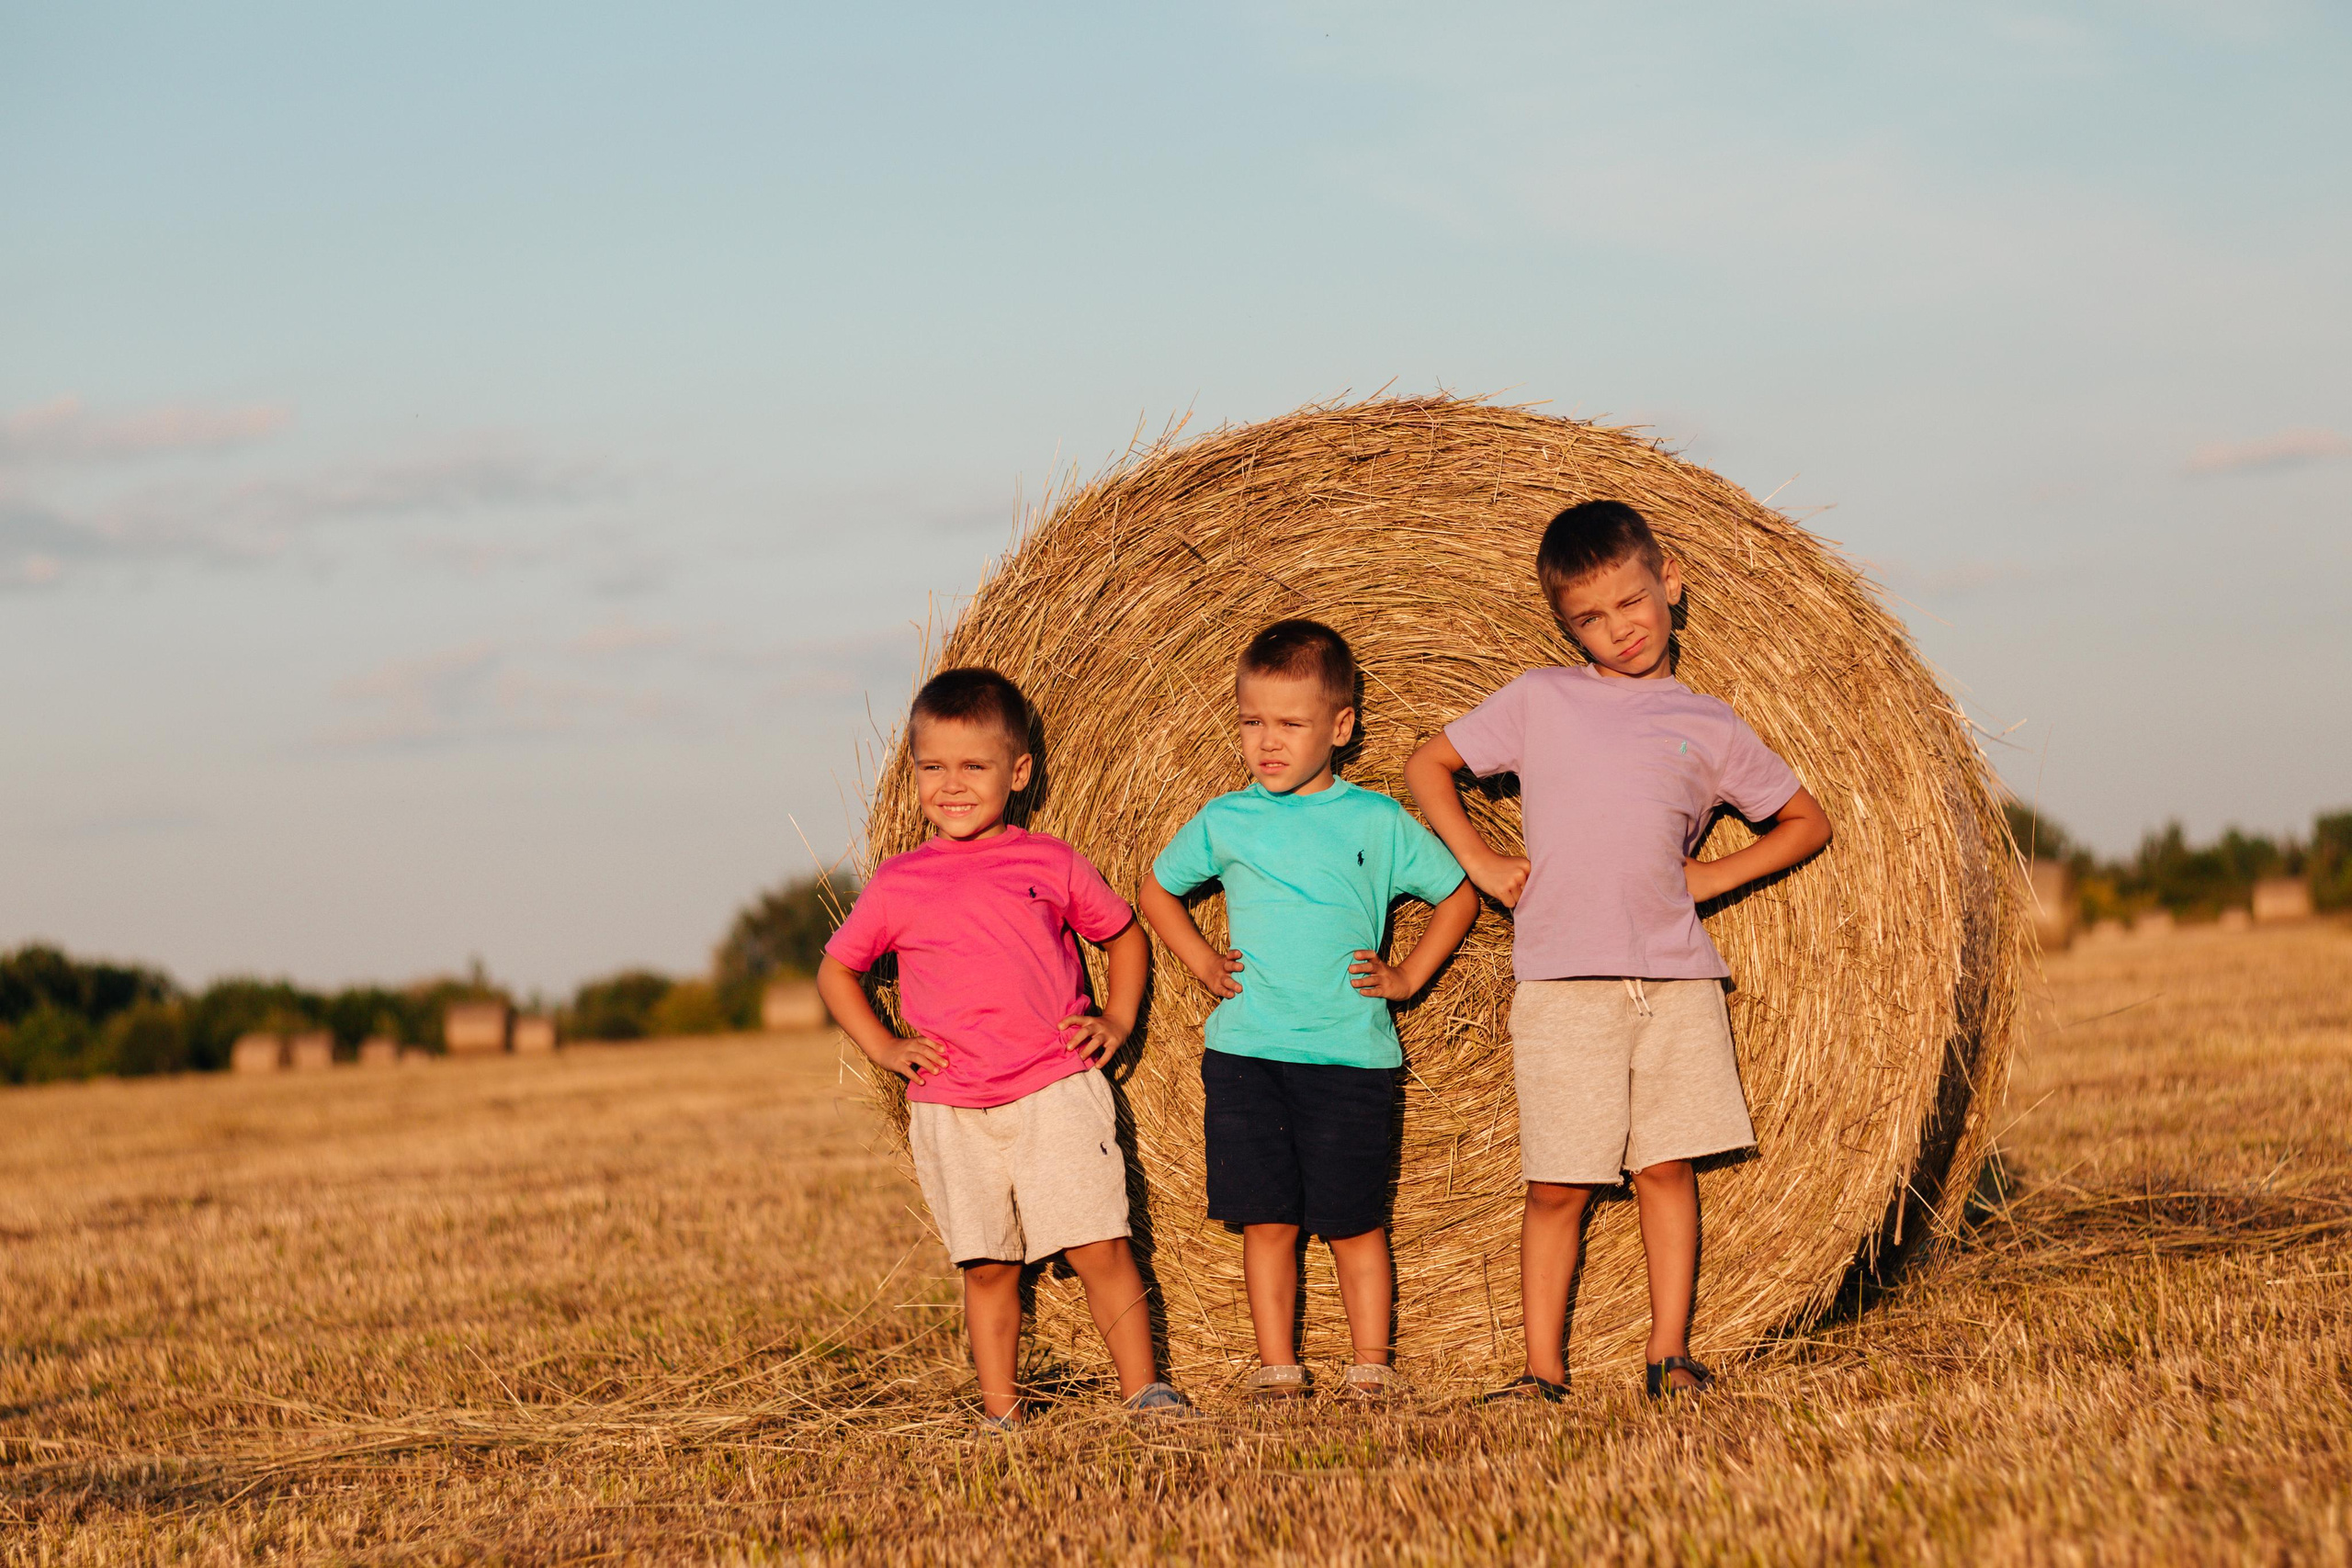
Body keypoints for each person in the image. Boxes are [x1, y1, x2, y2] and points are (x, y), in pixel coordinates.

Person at [1403, 500, 1833, 1402]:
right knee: (1558, 1182)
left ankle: (1668, 1354)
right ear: (1563, 623)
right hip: (1561, 984)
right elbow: (1425, 765)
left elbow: (1804, 822)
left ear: (1667, 581)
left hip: (1675, 980)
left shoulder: (1709, 723)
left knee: (1665, 1169)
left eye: (1630, 604)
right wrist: (1479, 862)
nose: (1617, 630)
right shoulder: (1539, 699)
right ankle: (1540, 1369)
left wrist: (1711, 880)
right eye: (1588, 620)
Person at [816, 666, 1190, 1428]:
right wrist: (885, 1046)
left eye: (973, 767)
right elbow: (836, 970)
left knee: (1098, 1243)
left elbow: (1122, 934)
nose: (951, 785)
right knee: (987, 1265)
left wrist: (1117, 1021)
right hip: (952, 1107)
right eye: (932, 768)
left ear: (1018, 773)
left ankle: (1145, 1391)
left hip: (1055, 1088)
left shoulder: (1047, 861)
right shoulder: (897, 882)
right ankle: (1001, 1412)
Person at [1140, 619, 1477, 1404]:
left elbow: (1457, 892)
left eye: (1290, 724)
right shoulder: (1228, 819)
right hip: (1247, 1052)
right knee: (1268, 1220)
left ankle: (1372, 1364)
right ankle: (1277, 1366)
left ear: (1341, 726)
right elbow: (1157, 888)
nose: (1268, 741)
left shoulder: (1377, 821)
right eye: (1252, 721)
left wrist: (1408, 977)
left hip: (1351, 1055)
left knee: (1354, 1220)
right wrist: (1200, 962)